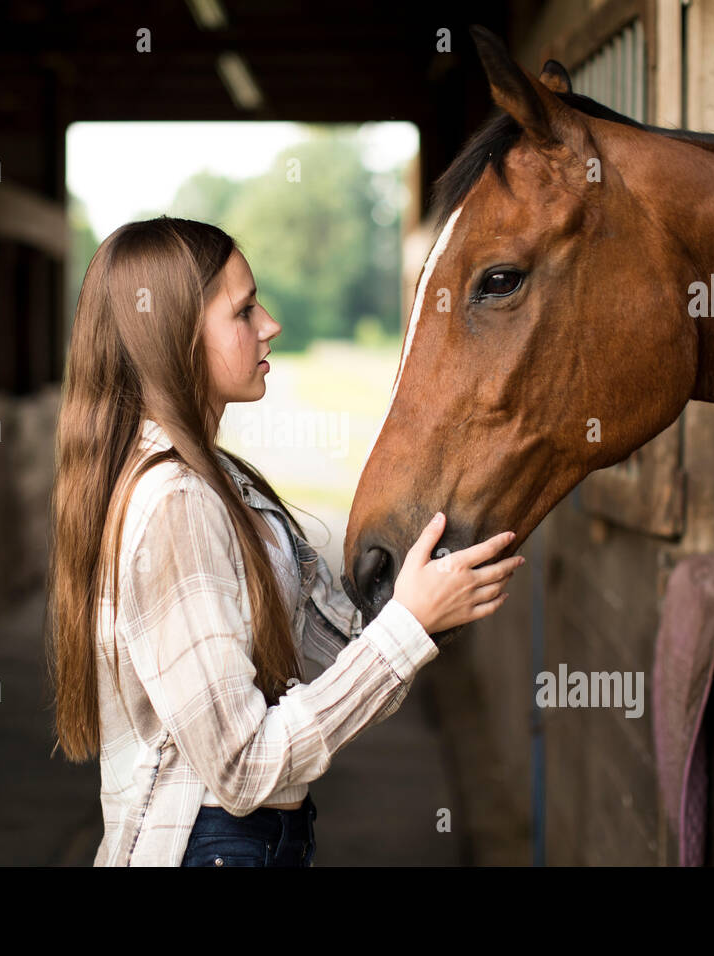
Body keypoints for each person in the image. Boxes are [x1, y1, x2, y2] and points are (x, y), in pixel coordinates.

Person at [45, 216, 524, 867]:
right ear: (176, 336)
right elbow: (243, 768)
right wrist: (408, 626)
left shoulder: (225, 483)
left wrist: (422, 609)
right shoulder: (177, 505)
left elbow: (341, 662)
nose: (270, 323)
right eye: (243, 311)